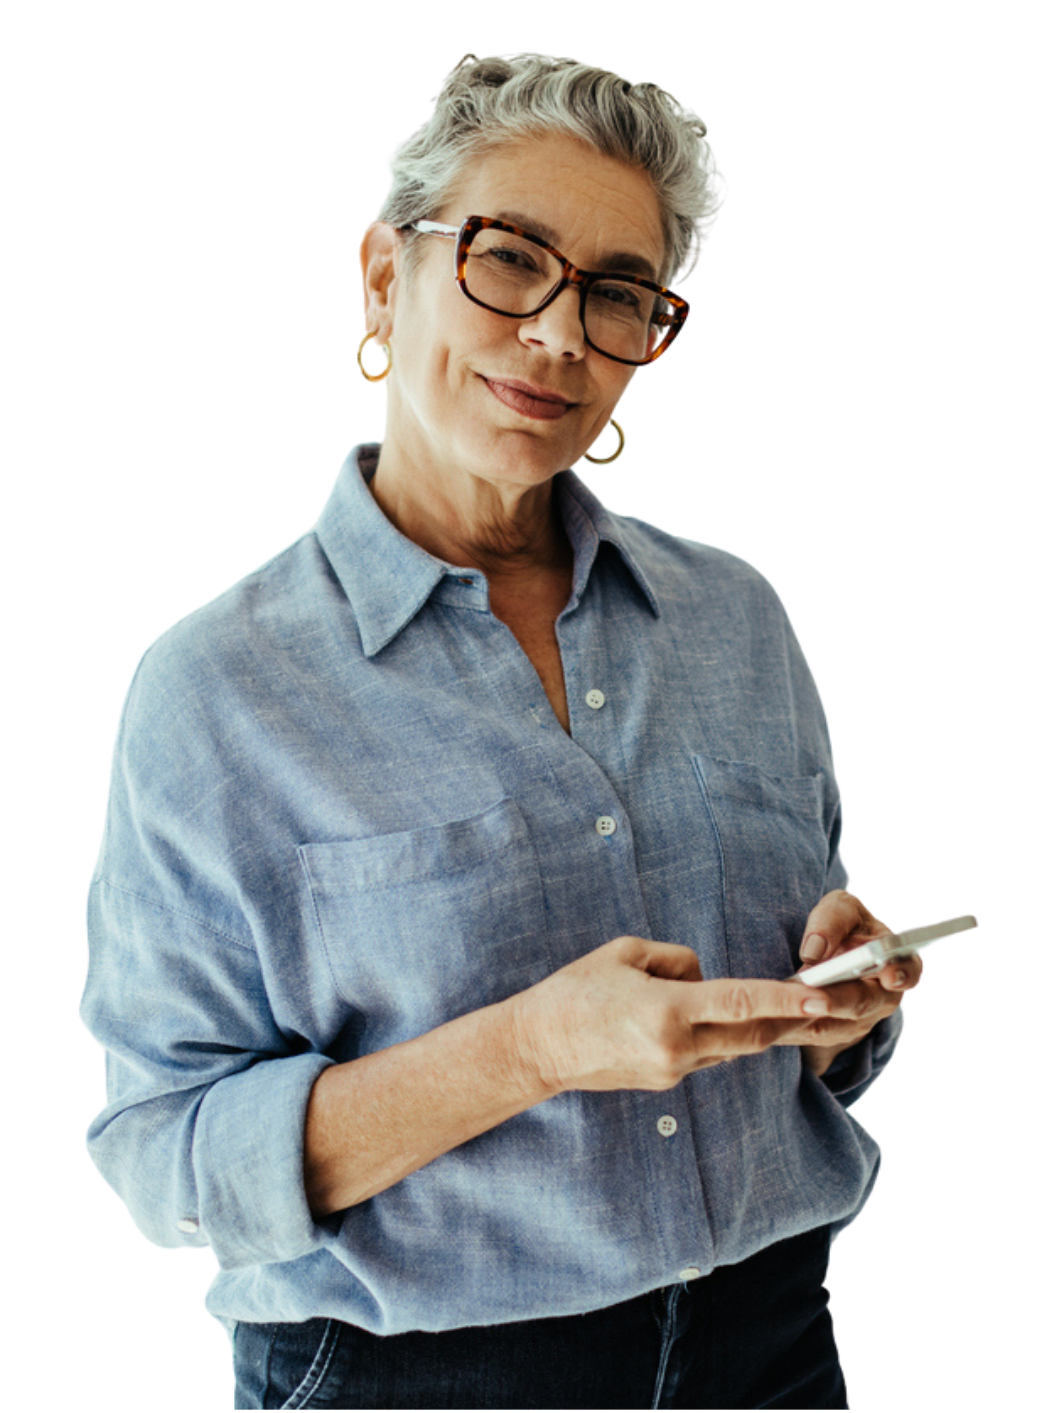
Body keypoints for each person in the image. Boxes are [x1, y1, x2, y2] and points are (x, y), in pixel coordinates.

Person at [81, 53, 923, 1411]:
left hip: (772, 1348)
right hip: (421, 1381)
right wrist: (533, 1049)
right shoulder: (216, 688)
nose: (559, 336)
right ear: (382, 276)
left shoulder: (736, 618)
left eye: (616, 294)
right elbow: (168, 1158)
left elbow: (825, 1064)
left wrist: (832, 1006)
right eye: (511, 259)